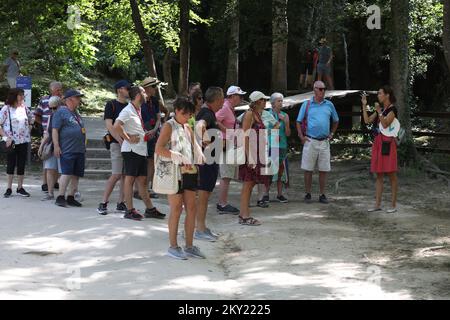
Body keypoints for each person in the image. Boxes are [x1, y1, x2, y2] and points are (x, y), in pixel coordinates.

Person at [155, 97, 206, 260]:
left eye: (190, 114)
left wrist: (199, 152)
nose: (187, 117)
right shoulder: (168, 126)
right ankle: (173, 246)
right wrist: (173, 154)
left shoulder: (187, 127)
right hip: (174, 173)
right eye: (185, 113)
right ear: (176, 110)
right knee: (176, 208)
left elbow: (194, 144)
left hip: (189, 172)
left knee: (192, 208)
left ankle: (189, 246)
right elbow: (158, 148)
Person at [114, 86, 165, 221]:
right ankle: (129, 210)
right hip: (131, 150)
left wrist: (144, 134)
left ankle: (150, 209)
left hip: (140, 149)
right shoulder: (128, 110)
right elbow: (116, 125)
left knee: (142, 181)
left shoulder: (138, 109)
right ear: (137, 95)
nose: (146, 93)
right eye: (143, 92)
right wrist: (128, 138)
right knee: (130, 179)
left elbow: (133, 127)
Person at [296, 81, 339, 204]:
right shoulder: (307, 104)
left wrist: (332, 134)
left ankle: (322, 194)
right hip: (310, 140)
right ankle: (308, 193)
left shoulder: (329, 104)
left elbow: (336, 120)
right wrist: (301, 136)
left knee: (323, 169)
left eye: (324, 89)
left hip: (324, 141)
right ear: (314, 89)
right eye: (320, 89)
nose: (322, 91)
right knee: (308, 169)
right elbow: (298, 121)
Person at [362, 86, 399, 213]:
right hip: (378, 142)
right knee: (379, 174)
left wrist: (378, 111)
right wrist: (364, 105)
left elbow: (385, 124)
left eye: (380, 93)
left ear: (387, 95)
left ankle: (393, 205)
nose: (378, 95)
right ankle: (377, 205)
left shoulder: (392, 110)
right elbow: (367, 121)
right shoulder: (381, 109)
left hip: (388, 143)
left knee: (392, 174)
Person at [238, 91, 273, 226]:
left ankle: (243, 214)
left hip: (257, 153)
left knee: (251, 184)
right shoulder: (249, 114)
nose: (265, 102)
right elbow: (244, 136)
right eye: (263, 99)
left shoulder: (258, 114)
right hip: (251, 154)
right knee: (248, 184)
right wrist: (249, 156)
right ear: (257, 101)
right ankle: (245, 216)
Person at [194, 87, 224, 241]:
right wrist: (205, 139)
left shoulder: (209, 113)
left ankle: (202, 227)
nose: (223, 102)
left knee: (205, 194)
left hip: (210, 160)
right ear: (218, 99)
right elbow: (199, 125)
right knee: (203, 195)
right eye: (222, 99)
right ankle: (199, 229)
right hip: (206, 161)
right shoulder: (207, 113)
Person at [97, 80, 131, 215]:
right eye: (127, 88)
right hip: (117, 143)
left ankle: (121, 202)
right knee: (117, 174)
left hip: (127, 143)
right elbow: (109, 125)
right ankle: (103, 203)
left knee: (124, 175)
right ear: (119, 90)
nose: (129, 90)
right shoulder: (111, 104)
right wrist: (120, 140)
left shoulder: (129, 106)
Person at [215, 86, 247, 215]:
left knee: (227, 175)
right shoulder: (225, 107)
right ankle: (222, 204)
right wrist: (228, 133)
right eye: (239, 96)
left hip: (227, 144)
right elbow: (215, 120)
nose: (241, 98)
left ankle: (223, 202)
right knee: (226, 175)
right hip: (224, 144)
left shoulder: (229, 107)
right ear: (232, 96)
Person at [52, 90, 87, 208]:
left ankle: (71, 197)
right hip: (67, 148)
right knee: (66, 173)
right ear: (70, 99)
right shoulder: (61, 112)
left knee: (76, 174)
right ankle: (60, 197)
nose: (79, 100)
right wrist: (56, 145)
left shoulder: (76, 113)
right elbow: (55, 130)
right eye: (77, 98)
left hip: (79, 149)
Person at [0, 88, 33, 198]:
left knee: (21, 164)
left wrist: (30, 126)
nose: (23, 97)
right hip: (11, 141)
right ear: (14, 96)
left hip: (23, 140)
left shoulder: (24, 108)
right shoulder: (6, 108)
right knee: (11, 164)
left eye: (23, 95)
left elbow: (31, 118)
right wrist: (5, 137)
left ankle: (20, 187)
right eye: (21, 95)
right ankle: (9, 188)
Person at [35, 81, 64, 193]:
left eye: (60, 89)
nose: (59, 91)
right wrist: (43, 125)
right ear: (52, 90)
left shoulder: (63, 101)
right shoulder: (44, 100)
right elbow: (37, 115)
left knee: (57, 158)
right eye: (57, 89)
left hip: (60, 133)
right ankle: (45, 183)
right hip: (47, 132)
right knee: (47, 157)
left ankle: (55, 181)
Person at [140, 77, 162, 199]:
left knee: (151, 161)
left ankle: (148, 187)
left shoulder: (154, 101)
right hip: (142, 135)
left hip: (153, 134)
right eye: (154, 87)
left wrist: (154, 130)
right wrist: (145, 131)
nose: (155, 89)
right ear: (147, 88)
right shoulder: (140, 100)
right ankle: (139, 189)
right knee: (142, 162)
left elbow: (159, 117)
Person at [38, 96, 63, 201]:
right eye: (51, 108)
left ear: (60, 106)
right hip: (50, 146)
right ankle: (50, 193)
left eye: (55, 108)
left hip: (62, 146)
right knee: (49, 169)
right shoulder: (51, 116)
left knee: (62, 171)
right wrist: (41, 145)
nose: (53, 110)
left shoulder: (64, 115)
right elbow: (47, 133)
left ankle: (63, 193)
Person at [268, 92, 291, 203]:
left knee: (281, 171)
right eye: (279, 101)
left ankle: (279, 194)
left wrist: (286, 123)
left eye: (282, 100)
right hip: (271, 146)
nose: (281, 103)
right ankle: (266, 194)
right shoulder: (267, 115)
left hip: (282, 146)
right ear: (273, 103)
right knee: (269, 171)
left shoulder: (285, 115)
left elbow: (288, 134)